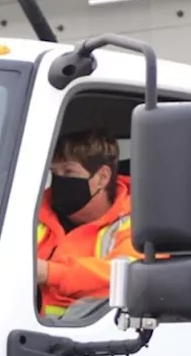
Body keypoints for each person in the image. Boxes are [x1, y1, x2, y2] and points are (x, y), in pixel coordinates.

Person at [36, 128, 139, 319]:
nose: (60, 180)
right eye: (54, 172)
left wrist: (50, 273)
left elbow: (127, 277)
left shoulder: (137, 224)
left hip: (89, 340)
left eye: (69, 171)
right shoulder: (35, 215)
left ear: (102, 177)